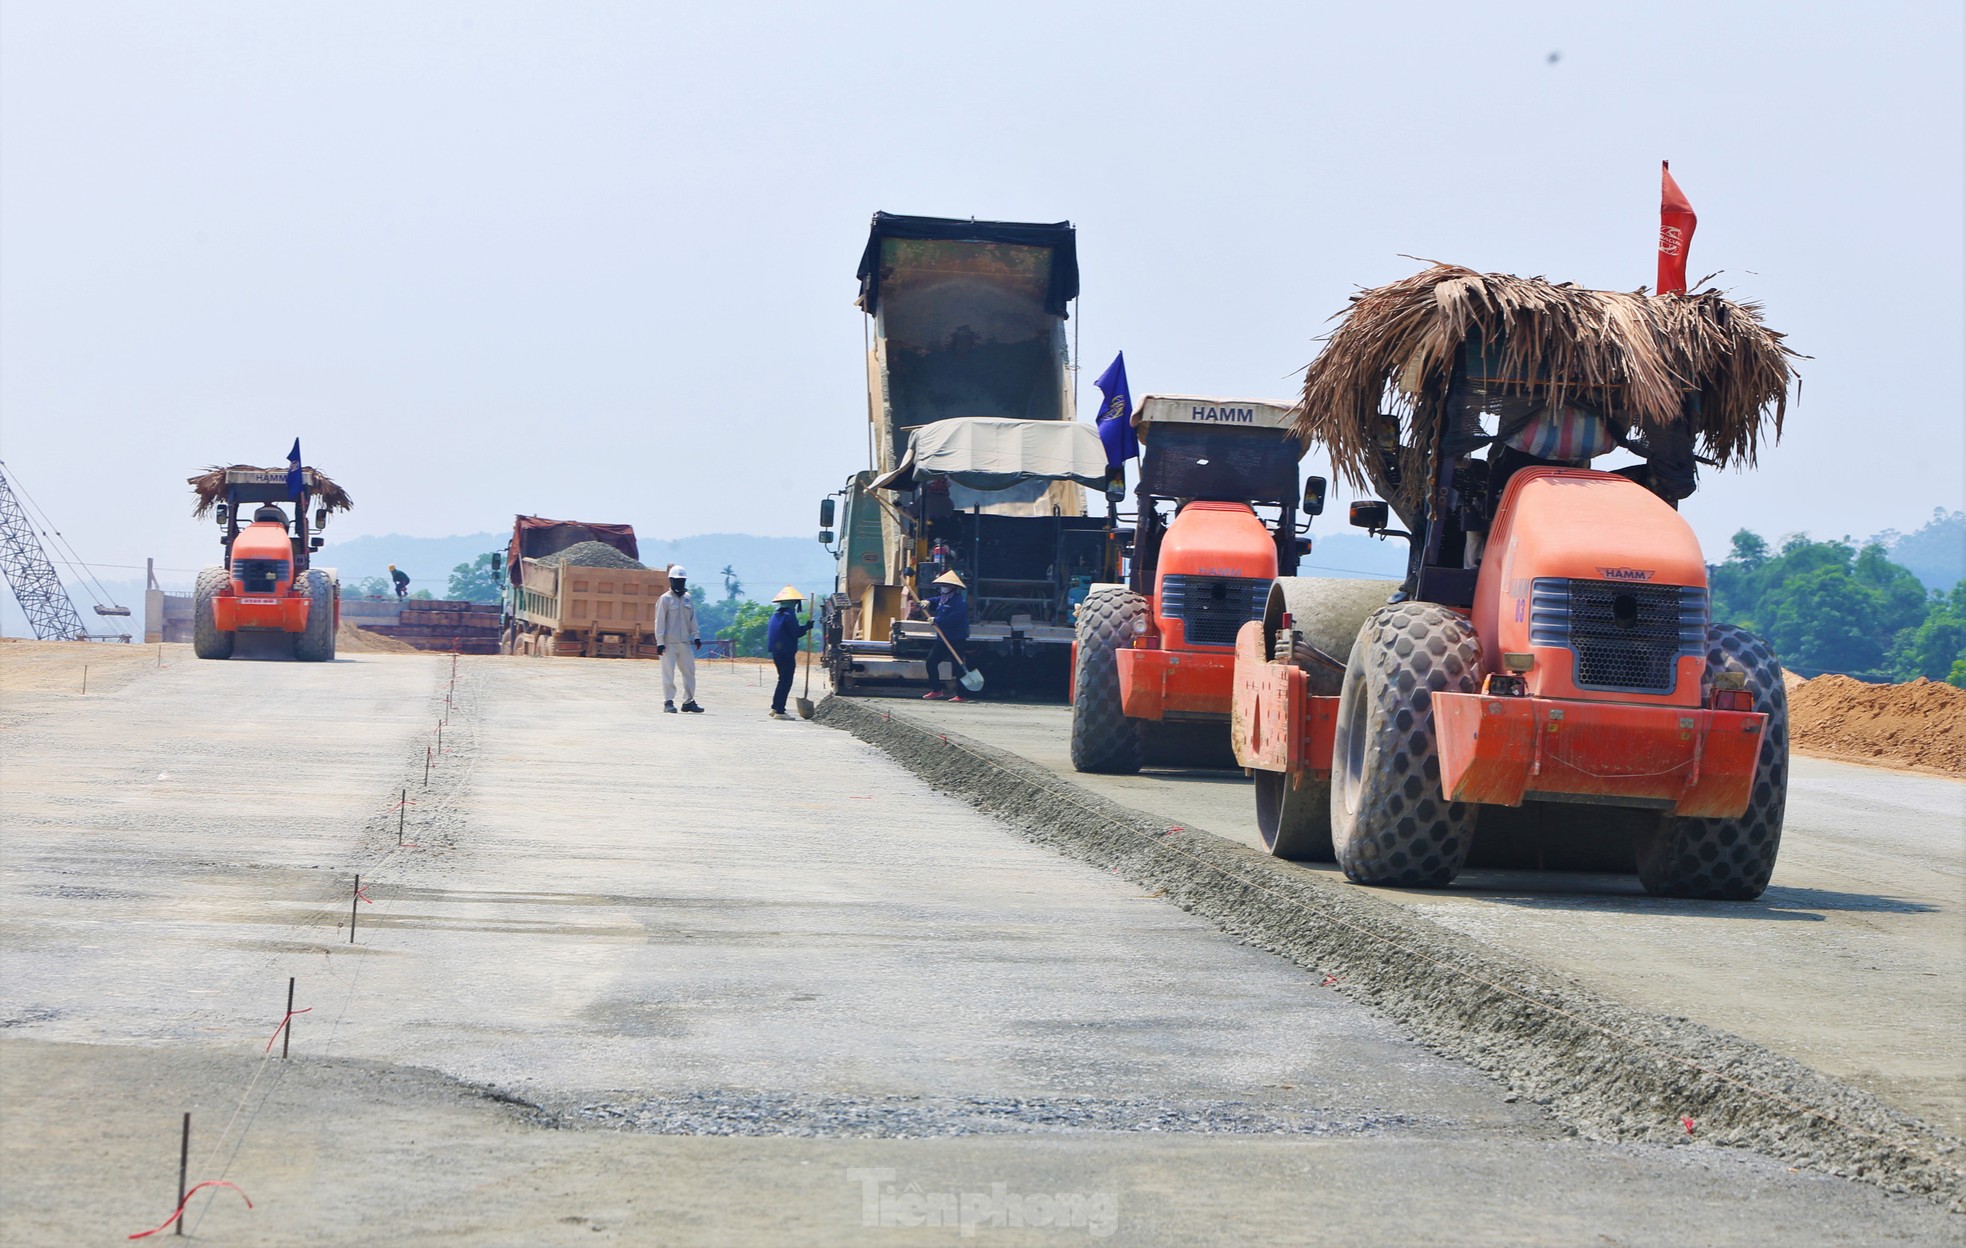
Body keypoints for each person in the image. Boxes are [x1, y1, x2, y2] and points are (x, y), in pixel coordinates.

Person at [654, 565, 703, 713]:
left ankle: (688, 701)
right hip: (669, 643)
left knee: (689, 672)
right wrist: (660, 642)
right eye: (676, 580)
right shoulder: (665, 599)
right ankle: (668, 701)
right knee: (668, 672)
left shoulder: (688, 599)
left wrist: (696, 636)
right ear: (671, 580)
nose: (679, 583)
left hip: (684, 642)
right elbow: (659, 621)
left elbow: (692, 619)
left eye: (682, 580)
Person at [921, 570, 970, 702]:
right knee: (931, 662)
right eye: (942, 585)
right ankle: (936, 690)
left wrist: (936, 620)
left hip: (956, 639)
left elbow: (953, 619)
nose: (943, 587)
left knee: (958, 668)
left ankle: (961, 695)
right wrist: (927, 602)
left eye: (946, 585)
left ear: (953, 587)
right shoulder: (943, 598)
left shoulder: (959, 602)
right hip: (943, 639)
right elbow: (935, 600)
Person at [765, 586, 813, 720]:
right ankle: (780, 711)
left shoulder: (776, 614)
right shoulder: (789, 615)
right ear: (793, 602)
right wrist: (807, 627)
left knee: (782, 679)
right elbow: (795, 633)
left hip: (776, 652)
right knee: (786, 680)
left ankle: (775, 707)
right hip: (786, 652)